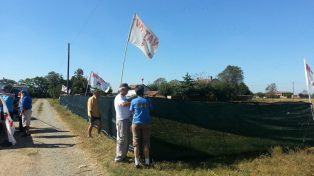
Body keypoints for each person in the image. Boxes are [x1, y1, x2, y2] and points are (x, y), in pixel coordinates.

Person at [130, 85, 152, 168]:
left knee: (136, 143)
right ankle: (147, 162)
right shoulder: (147, 100)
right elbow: (151, 108)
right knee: (146, 143)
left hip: (136, 123)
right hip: (146, 123)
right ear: (143, 92)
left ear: (136, 92)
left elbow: (131, 111)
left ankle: (136, 163)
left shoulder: (133, 101)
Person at [114, 83, 131, 162]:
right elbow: (123, 105)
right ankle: (119, 157)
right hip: (122, 120)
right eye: (127, 89)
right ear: (122, 89)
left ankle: (124, 155)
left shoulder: (124, 97)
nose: (128, 91)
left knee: (125, 139)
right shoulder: (119, 97)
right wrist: (132, 103)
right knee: (121, 139)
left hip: (125, 120)